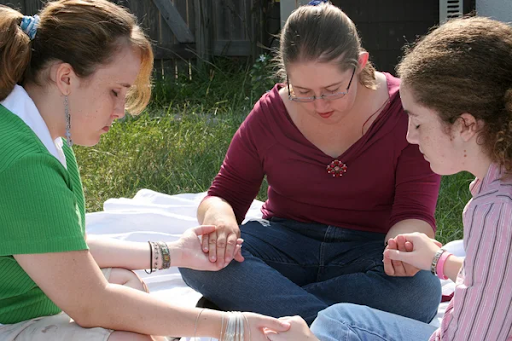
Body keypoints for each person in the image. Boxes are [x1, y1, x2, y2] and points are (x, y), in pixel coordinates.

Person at [0, 1, 292, 340]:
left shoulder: (39, 134)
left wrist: (176, 252)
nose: (121, 110)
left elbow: (64, 246)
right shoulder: (22, 159)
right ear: (65, 77)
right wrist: (230, 326)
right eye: (114, 91)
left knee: (125, 281)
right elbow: (91, 303)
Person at [179, 1, 442, 325]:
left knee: (420, 292)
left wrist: (404, 246)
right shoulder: (271, 113)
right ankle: (327, 326)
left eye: (333, 90)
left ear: (360, 64)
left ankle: (267, 304)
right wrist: (219, 219)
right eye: (302, 91)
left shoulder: (403, 112)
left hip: (369, 251)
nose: (319, 105)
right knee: (195, 255)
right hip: (286, 243)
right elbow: (224, 193)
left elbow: (415, 213)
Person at [266, 16, 512, 341]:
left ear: (465, 125)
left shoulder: (496, 212)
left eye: (418, 121)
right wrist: (439, 261)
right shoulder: (496, 189)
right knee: (457, 248)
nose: (410, 136)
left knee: (335, 323)